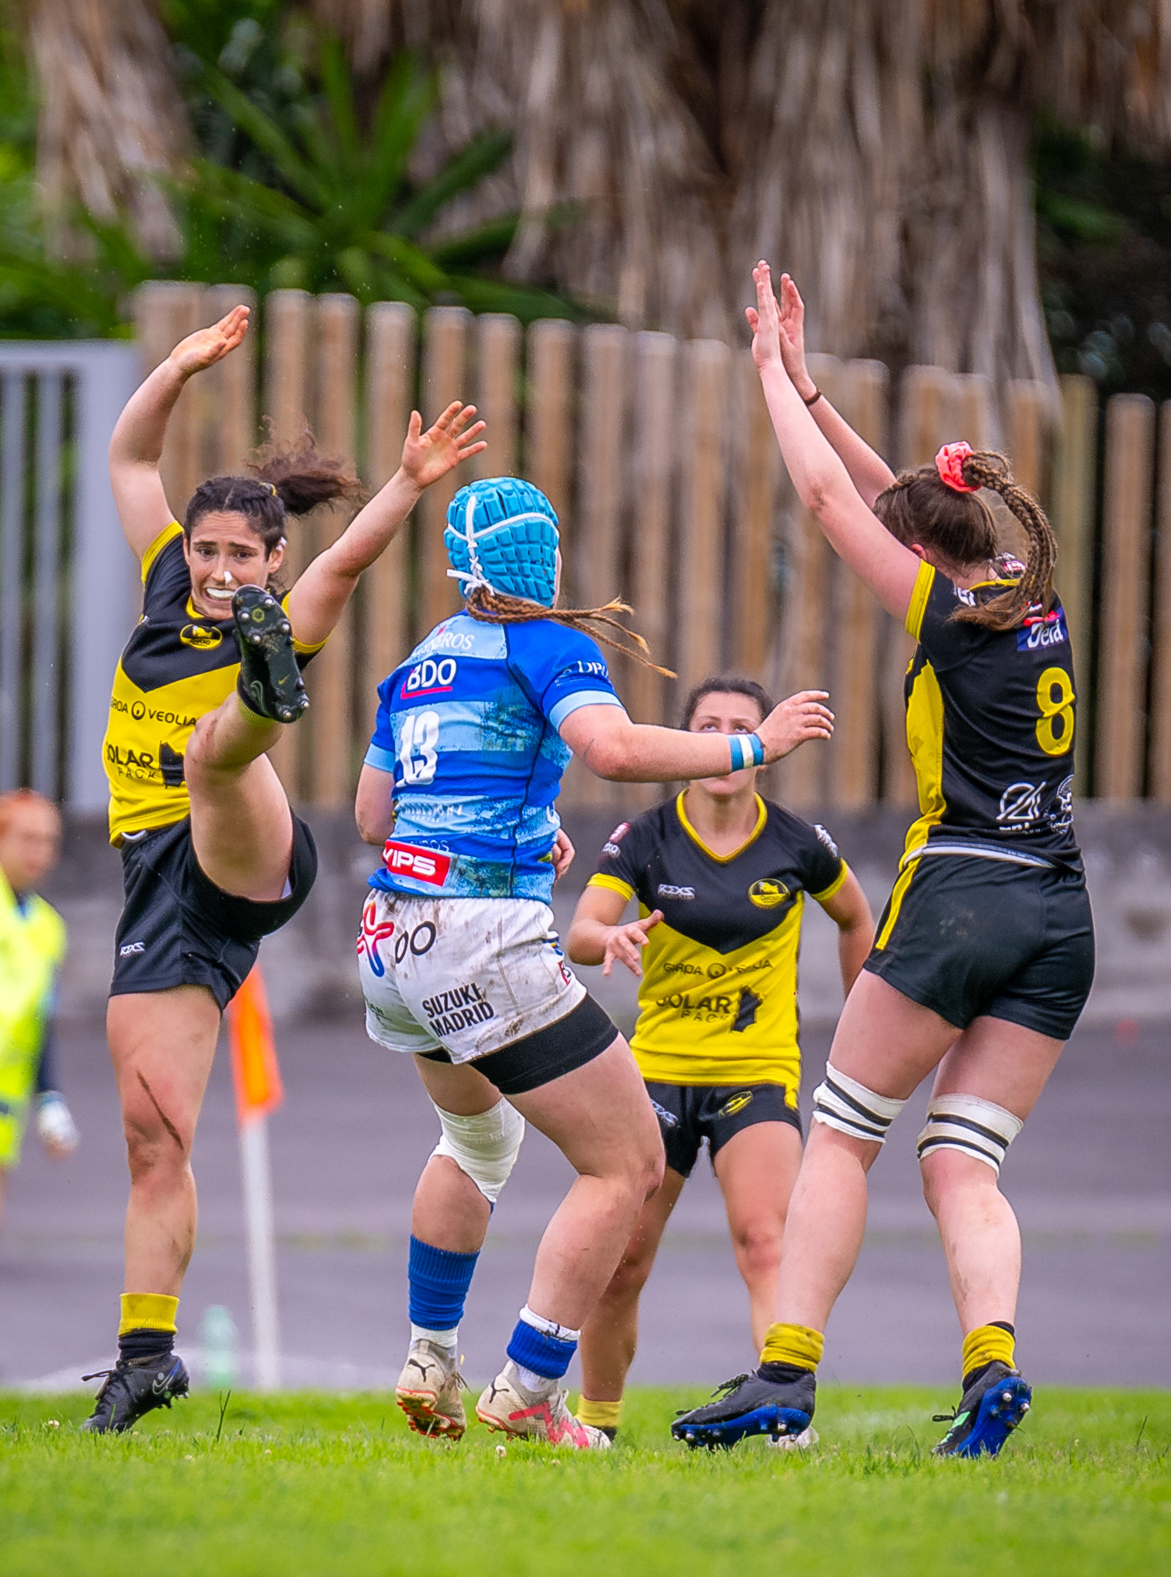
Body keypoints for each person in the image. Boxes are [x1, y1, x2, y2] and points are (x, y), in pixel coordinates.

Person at [674, 264, 1094, 1457]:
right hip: (1058, 915)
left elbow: (830, 505)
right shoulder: (1025, 591)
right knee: (961, 1163)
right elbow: (892, 504)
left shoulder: (949, 625)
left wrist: (767, 378)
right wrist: (814, 386)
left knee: (845, 1133)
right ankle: (990, 1365)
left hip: (959, 892)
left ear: (919, 551)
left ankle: (784, 1374)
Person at [355, 476, 835, 1448]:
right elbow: (610, 751)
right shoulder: (550, 644)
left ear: (461, 564)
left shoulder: (417, 664)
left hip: (389, 935)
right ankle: (529, 1388)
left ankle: (430, 1356)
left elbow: (376, 817)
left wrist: (514, 836)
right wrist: (753, 743)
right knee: (626, 1163)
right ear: (547, 560)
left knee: (479, 1145)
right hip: (475, 935)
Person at [83, 303, 485, 1432]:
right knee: (152, 1129)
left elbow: (349, 564)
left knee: (217, 754)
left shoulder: (290, 595)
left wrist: (407, 483)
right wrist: (177, 363)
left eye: (237, 555)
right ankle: (145, 1357)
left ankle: (265, 691)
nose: (214, 565)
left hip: (251, 848)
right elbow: (129, 454)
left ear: (271, 560)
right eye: (205, 551)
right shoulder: (166, 579)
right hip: (156, 883)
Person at [565, 674, 873, 1440]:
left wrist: (862, 1034)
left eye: (743, 725)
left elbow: (855, 916)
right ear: (686, 743)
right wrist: (611, 938)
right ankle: (598, 1428)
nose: (725, 741)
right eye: (709, 725)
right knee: (622, 1261)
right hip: (654, 1075)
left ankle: (782, 1421)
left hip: (756, 1073)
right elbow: (579, 932)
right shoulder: (644, 838)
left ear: (763, 747)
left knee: (767, 1243)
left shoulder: (797, 843)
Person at [0, 790, 79, 1233]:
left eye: (49, 841)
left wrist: (49, 1097)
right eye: (27, 839)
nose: (40, 853)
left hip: (7, 1100)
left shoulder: (49, 927)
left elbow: (39, 1016)